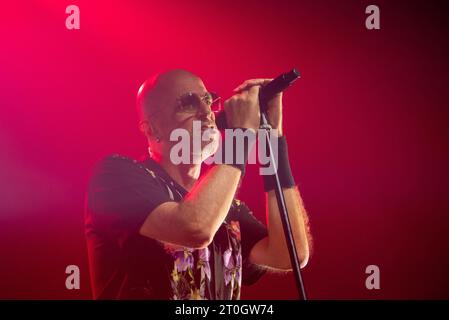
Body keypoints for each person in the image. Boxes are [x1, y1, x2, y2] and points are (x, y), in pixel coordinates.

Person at [84, 69, 312, 299]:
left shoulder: (228, 209)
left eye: (207, 100)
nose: (207, 112)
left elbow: (290, 252)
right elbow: (195, 227)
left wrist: (273, 140)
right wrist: (240, 136)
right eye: (188, 104)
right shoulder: (115, 177)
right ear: (152, 128)